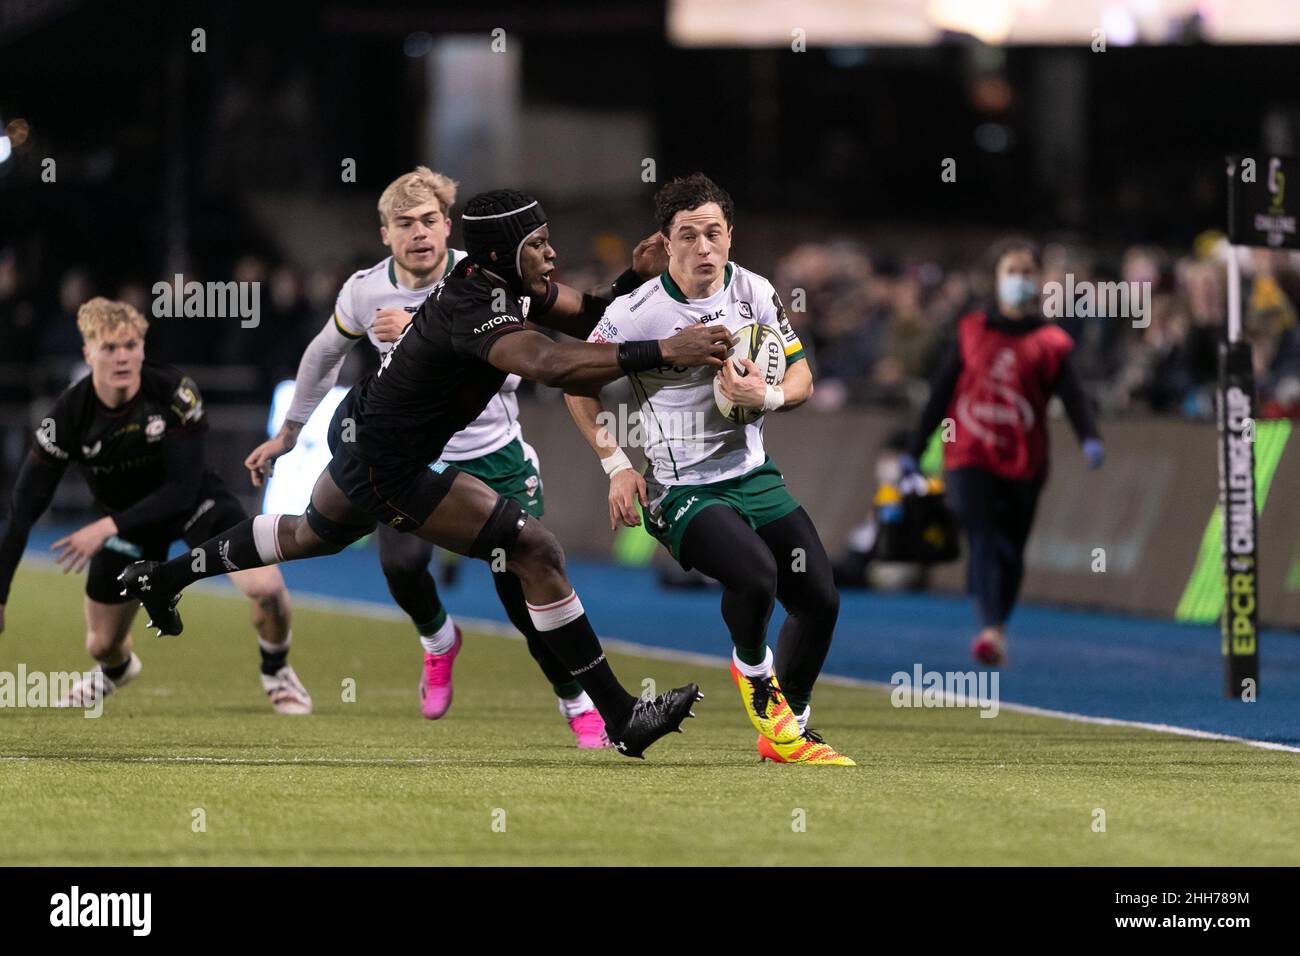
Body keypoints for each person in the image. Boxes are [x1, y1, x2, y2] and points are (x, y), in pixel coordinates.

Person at [119, 189, 733, 759]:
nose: (552, 253)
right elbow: (549, 363)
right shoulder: (475, 302)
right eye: (539, 243)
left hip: (367, 435)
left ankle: (164, 576)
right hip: (389, 461)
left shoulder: (504, 281)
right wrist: (662, 350)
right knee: (534, 550)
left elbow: (589, 317)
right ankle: (619, 714)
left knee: (308, 534)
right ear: (504, 252)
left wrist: (633, 279)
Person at [243, 167, 665, 747]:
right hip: (410, 458)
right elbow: (323, 353)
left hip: (489, 447)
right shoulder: (366, 290)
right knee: (401, 566)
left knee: (521, 583)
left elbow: (549, 340)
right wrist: (290, 430)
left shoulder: (495, 268)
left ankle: (575, 699)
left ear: (449, 227)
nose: (418, 234)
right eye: (403, 224)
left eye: (428, 221)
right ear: (386, 234)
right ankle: (438, 640)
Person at [564, 173, 853, 766]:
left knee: (820, 599)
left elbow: (800, 377)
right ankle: (754, 674)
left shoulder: (755, 291)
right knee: (754, 576)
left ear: (729, 235)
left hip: (754, 475)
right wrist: (617, 465)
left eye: (713, 233)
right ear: (665, 243)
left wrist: (764, 396)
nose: (703, 248)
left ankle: (786, 726)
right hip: (681, 490)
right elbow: (576, 383)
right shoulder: (637, 312)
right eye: (688, 235)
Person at [0, 298, 310, 713]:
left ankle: (277, 671)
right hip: (129, 526)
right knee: (101, 644)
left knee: (268, 590)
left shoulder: (173, 392)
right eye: (109, 348)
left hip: (196, 504)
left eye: (131, 345)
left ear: (143, 348)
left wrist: (105, 527)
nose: (122, 356)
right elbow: (24, 508)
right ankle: (116, 669)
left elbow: (182, 490)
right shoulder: (68, 416)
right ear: (88, 353)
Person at [906, 238, 1104, 666]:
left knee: (1012, 547)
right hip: (969, 454)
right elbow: (942, 391)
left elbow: (1074, 396)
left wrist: (1088, 436)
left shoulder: (1051, 342)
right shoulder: (972, 330)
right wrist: (916, 447)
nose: (1019, 280)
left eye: (1026, 272)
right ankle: (990, 626)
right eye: (1011, 271)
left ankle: (997, 621)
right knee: (983, 536)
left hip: (1023, 458)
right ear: (997, 279)